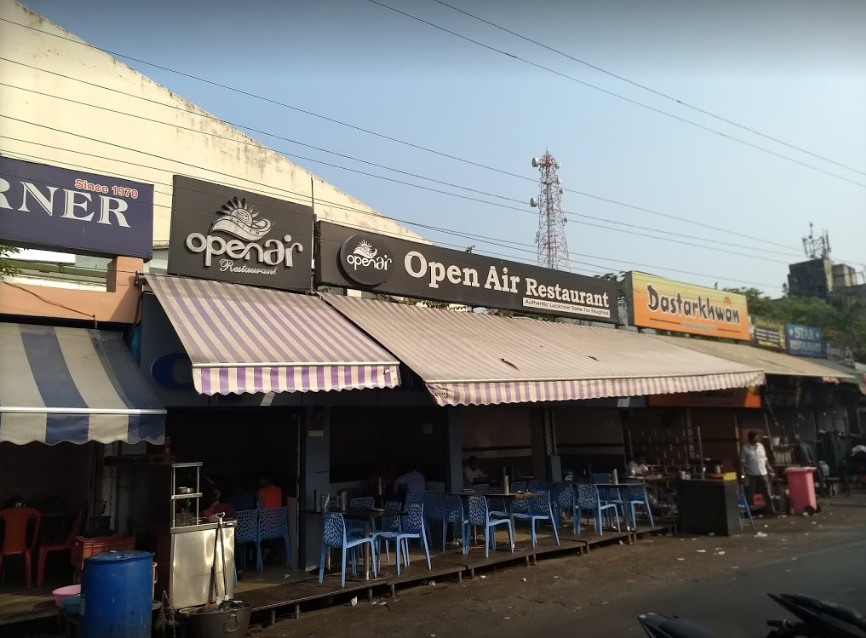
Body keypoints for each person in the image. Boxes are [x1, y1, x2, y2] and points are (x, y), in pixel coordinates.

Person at [740, 431, 776, 514]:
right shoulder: (745, 448)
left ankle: (770, 510)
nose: (756, 439)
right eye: (754, 437)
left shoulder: (761, 446)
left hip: (763, 473)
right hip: (751, 474)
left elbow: (765, 459)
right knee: (750, 493)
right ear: (750, 438)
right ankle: (750, 511)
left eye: (757, 437)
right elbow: (742, 463)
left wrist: (769, 468)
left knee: (767, 492)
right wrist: (743, 476)